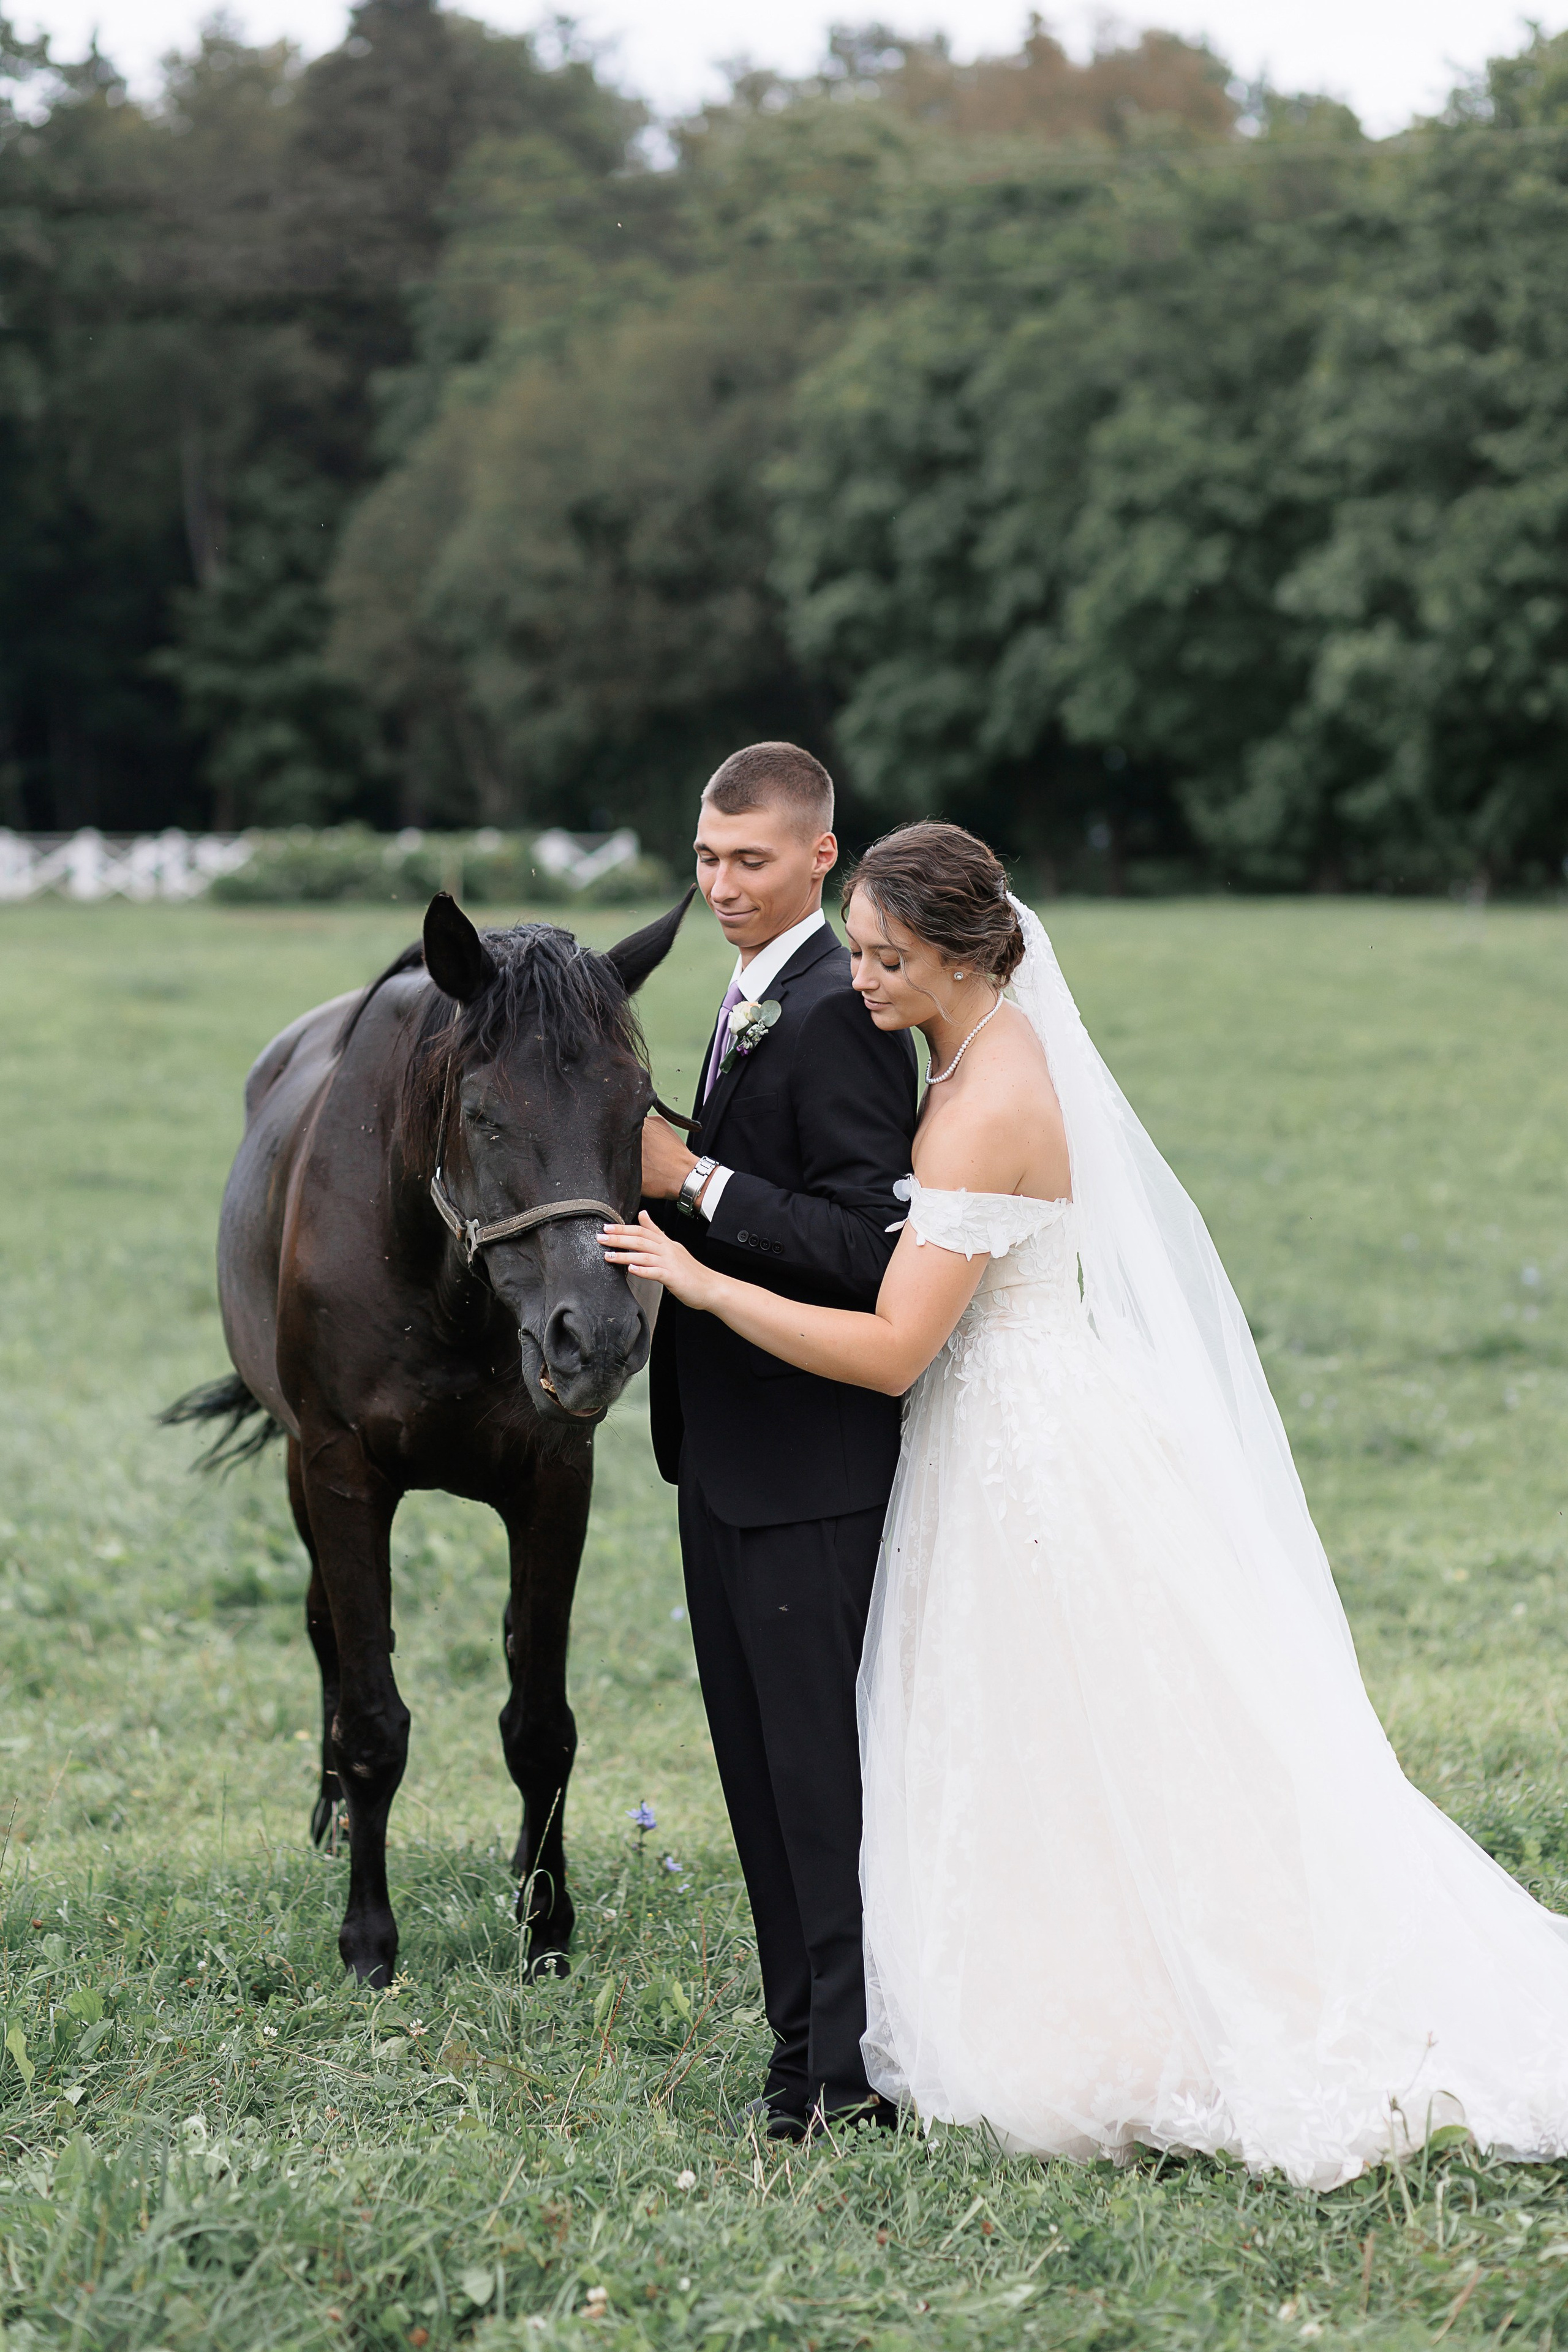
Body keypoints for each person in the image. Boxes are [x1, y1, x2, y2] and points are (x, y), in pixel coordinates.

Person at [606, 819, 1568, 2190]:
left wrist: (697, 1279)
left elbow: (892, 1346)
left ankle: (1159, 2015)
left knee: (1095, 1735)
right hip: (990, 1435)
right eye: (861, 953)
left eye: (884, 958)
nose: (860, 980)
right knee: (1032, 1746)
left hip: (1023, 1445)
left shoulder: (991, 1097)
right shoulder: (962, 1055)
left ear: (953, 957)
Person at [637, 743, 918, 2140]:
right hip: (722, 1456)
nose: (719, 885)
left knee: (818, 1780)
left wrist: (686, 1175)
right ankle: (795, 2046)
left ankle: (847, 2076)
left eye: (747, 860)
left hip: (811, 1461)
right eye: (703, 858)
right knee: (754, 1775)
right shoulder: (745, 998)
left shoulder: (842, 1006)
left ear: (819, 857)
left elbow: (868, 1245)